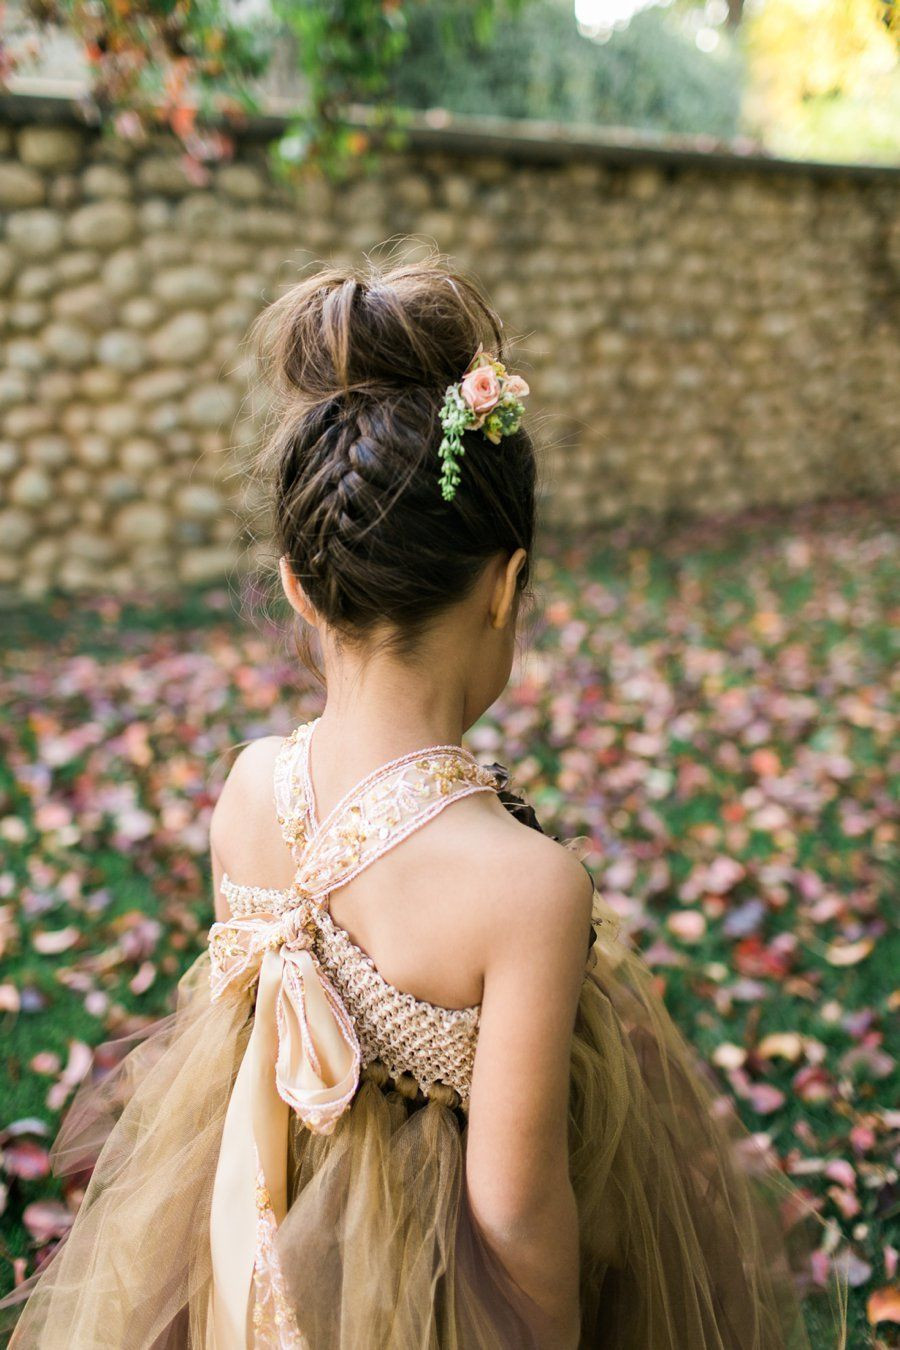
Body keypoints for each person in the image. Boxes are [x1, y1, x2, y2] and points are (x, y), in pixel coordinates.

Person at [2, 255, 834, 1348]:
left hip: (248, 1254)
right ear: (505, 584)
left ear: (299, 584)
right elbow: (513, 1206)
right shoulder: (528, 885)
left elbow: (237, 1059)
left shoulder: (250, 789)